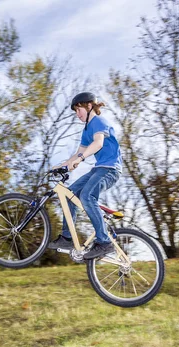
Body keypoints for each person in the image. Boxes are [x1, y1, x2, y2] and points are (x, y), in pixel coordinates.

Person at [47, 92, 122, 259]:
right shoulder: (86, 130)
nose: (77, 114)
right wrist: (61, 166)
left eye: (78, 109)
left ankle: (104, 242)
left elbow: (98, 143)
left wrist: (80, 158)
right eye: (75, 111)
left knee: (87, 196)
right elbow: (77, 154)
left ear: (89, 106)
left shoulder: (99, 122)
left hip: (110, 169)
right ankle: (67, 238)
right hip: (98, 169)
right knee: (70, 196)